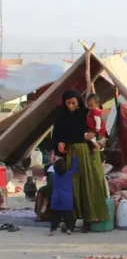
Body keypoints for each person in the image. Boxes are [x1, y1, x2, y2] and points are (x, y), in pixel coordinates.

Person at [52, 90, 108, 230]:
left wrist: (93, 134)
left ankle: (90, 219)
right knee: (73, 187)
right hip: (72, 154)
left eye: (73, 103)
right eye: (68, 103)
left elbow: (100, 129)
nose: (71, 106)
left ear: (78, 102)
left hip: (88, 154)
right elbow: (57, 135)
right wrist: (59, 143)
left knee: (89, 184)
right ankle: (72, 219)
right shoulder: (61, 116)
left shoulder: (86, 113)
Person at [49, 157, 78, 236]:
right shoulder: (68, 175)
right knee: (68, 215)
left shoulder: (55, 175)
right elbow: (74, 168)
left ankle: (52, 230)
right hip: (66, 199)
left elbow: (53, 167)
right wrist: (74, 157)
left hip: (56, 199)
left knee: (55, 216)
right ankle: (69, 229)